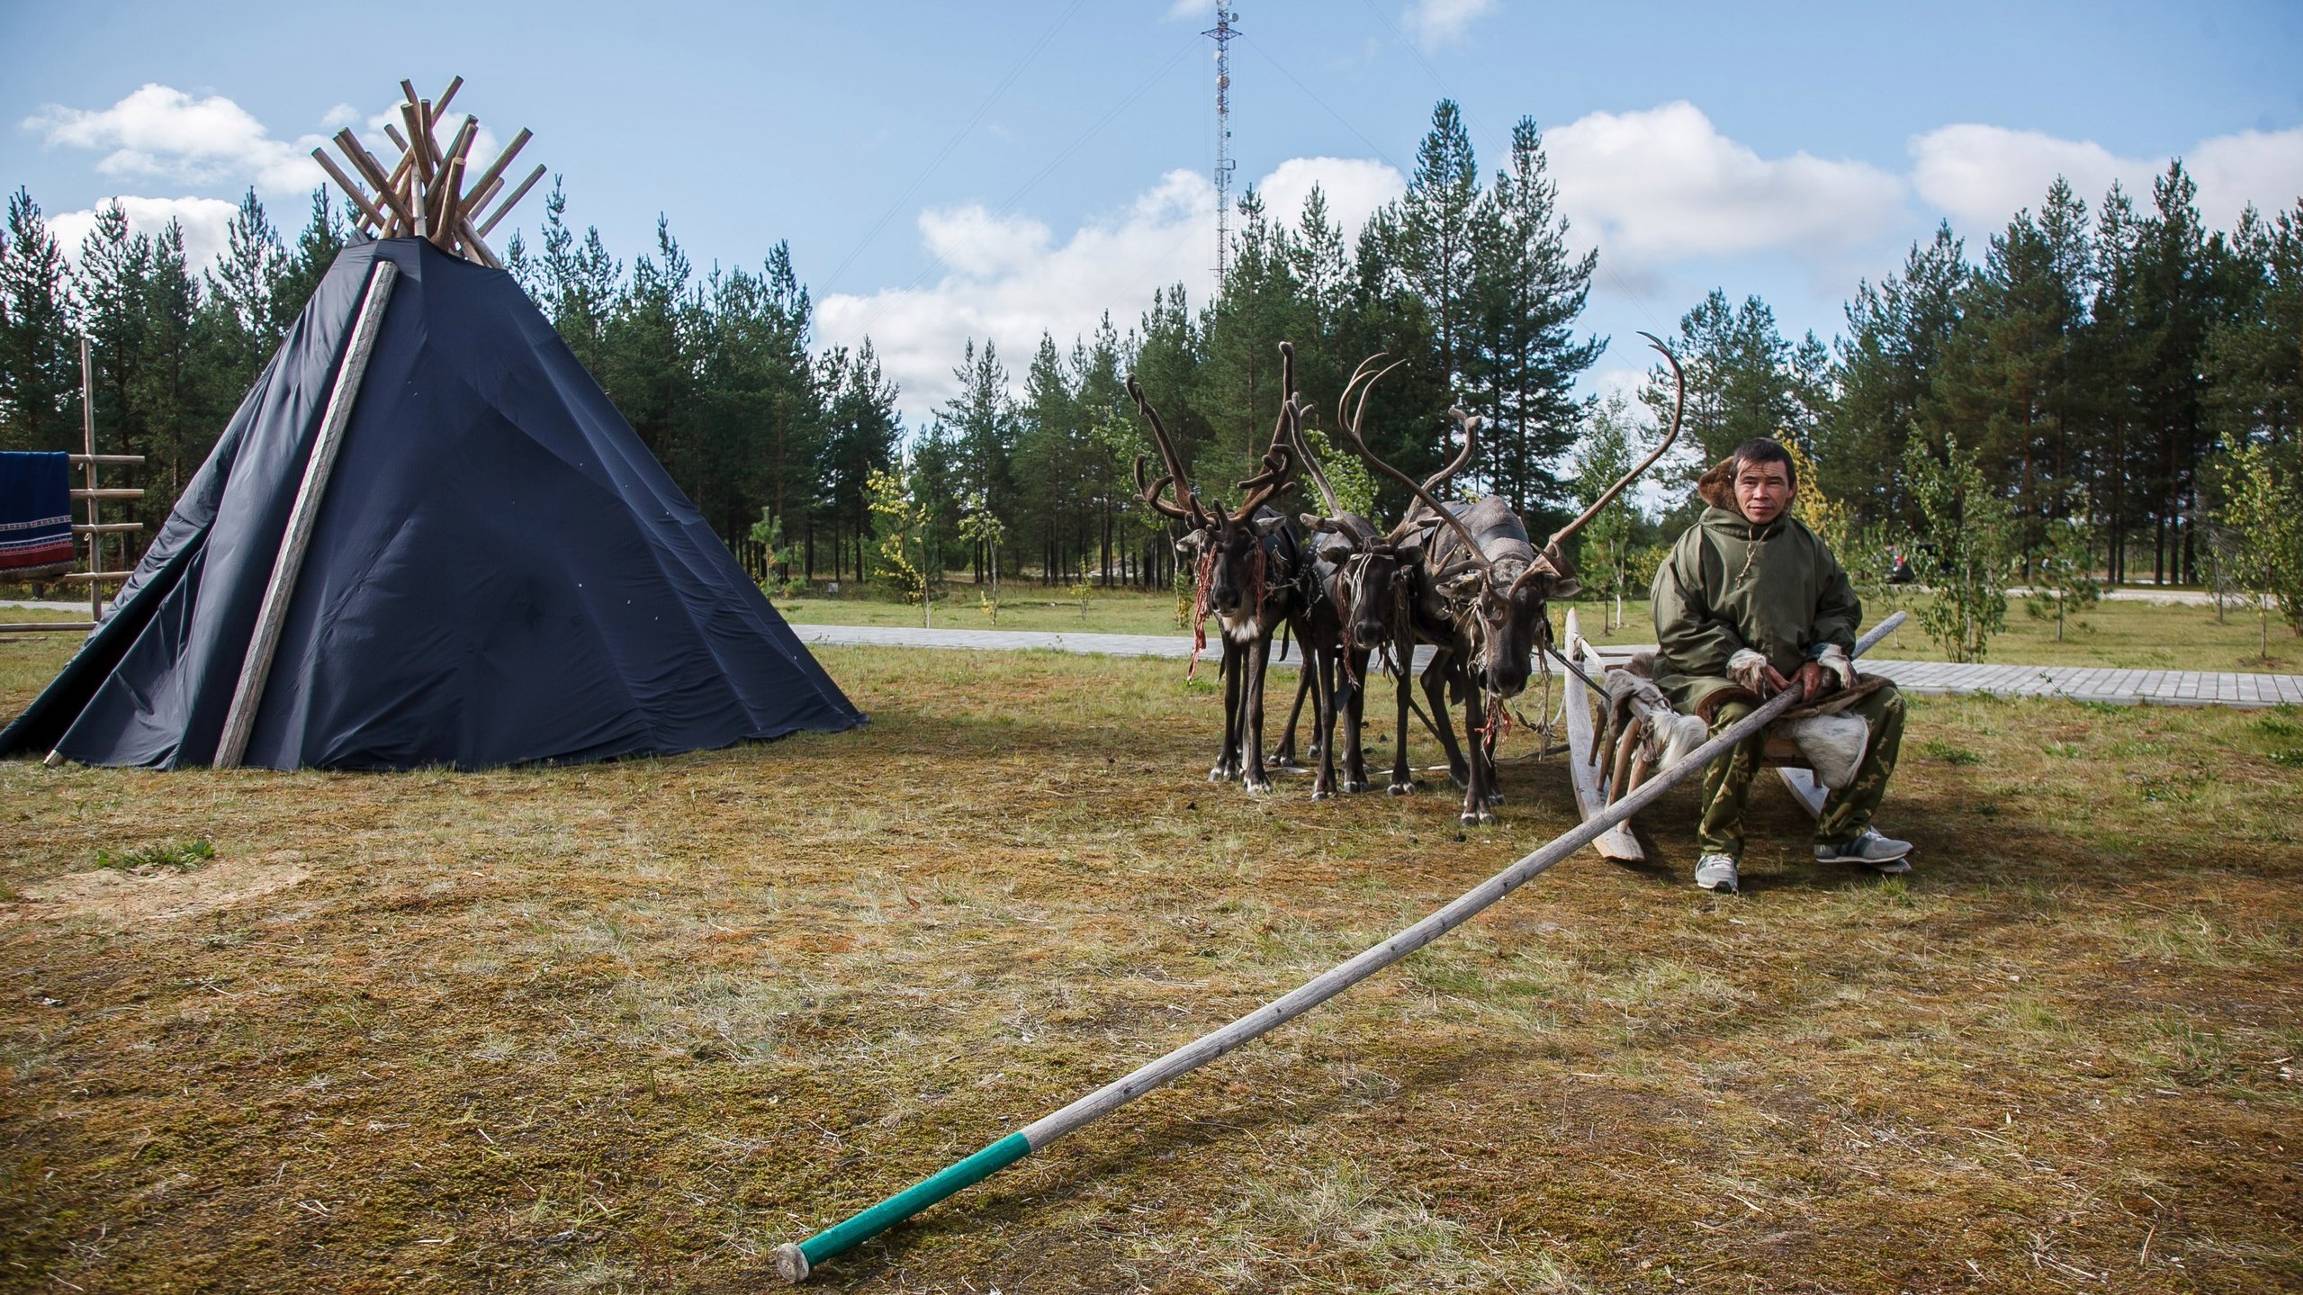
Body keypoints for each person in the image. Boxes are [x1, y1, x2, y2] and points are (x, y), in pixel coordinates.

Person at [1648, 438, 1910, 894]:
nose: (1761, 495)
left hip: (1797, 681)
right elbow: (1676, 625)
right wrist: (1736, 658)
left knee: (1887, 702)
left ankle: (1843, 831)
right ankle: (1719, 847)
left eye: (1774, 483)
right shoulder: (1699, 543)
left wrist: (1824, 656)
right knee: (1737, 717)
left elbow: (1839, 607)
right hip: (1707, 674)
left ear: (1790, 490)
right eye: (1750, 482)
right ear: (1733, 484)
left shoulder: (1807, 545)